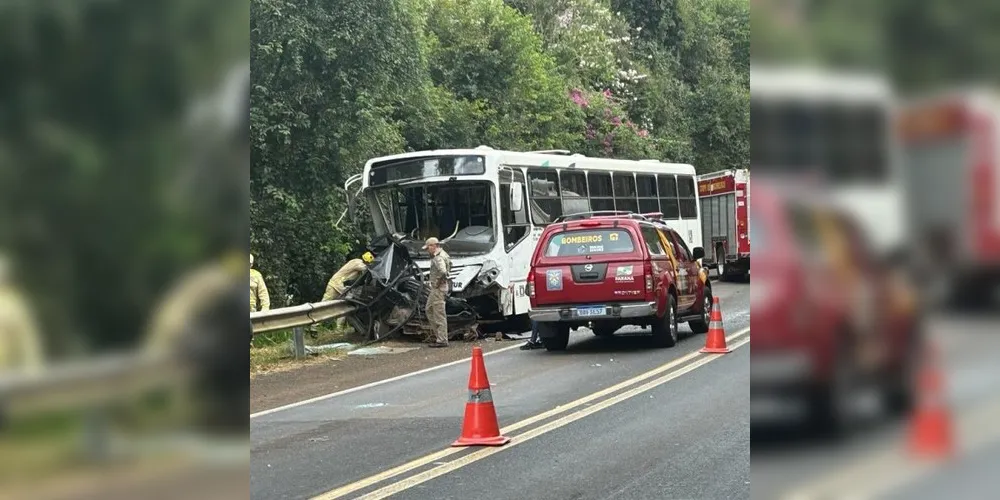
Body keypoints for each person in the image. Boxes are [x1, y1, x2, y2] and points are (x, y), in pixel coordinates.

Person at [0, 254, 44, 374]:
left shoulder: (14, 305)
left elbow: (28, 344)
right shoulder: (17, 304)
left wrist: (33, 372)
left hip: (9, 376)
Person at [423, 237, 451, 348]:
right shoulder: (443, 254)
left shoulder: (438, 258)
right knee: (429, 309)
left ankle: (442, 339)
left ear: (434, 246)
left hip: (439, 289)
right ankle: (439, 336)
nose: (427, 250)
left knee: (439, 314)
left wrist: (438, 282)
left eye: (428, 247)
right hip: (437, 289)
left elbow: (443, 272)